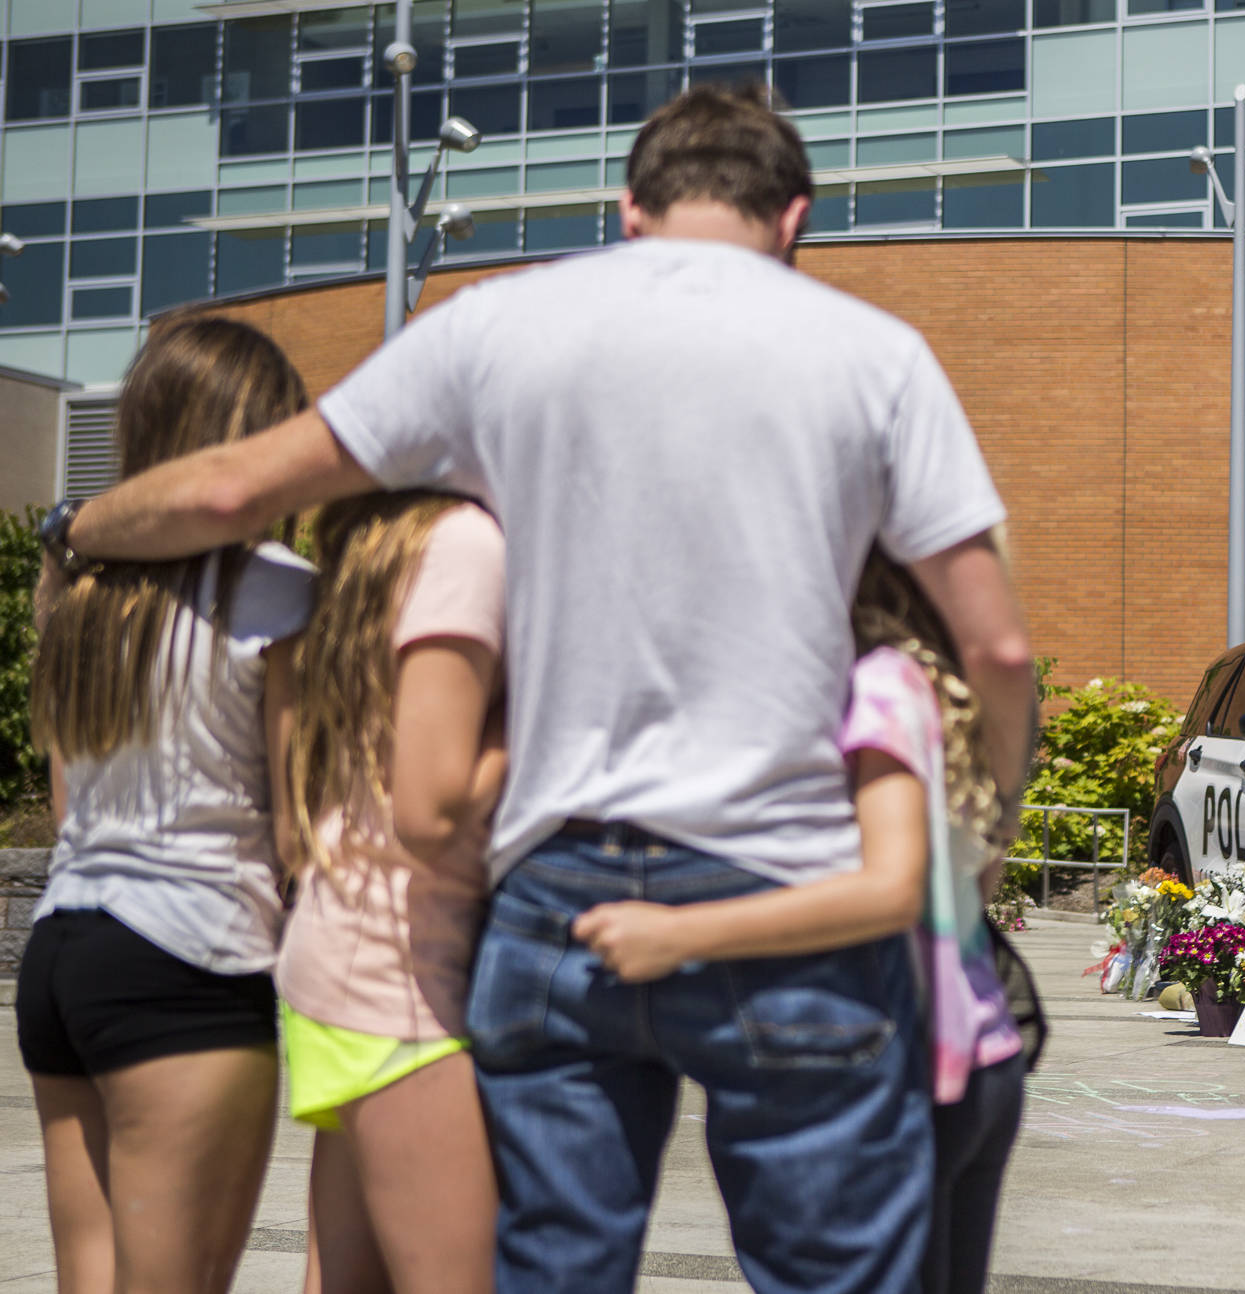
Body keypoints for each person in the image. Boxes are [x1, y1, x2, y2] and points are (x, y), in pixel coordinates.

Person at [44, 83, 1037, 1294]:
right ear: (794, 219)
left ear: (628, 209)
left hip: (555, 895)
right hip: (784, 881)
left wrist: (75, 525)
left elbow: (226, 496)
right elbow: (992, 649)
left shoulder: (494, 328)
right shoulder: (875, 355)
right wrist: (986, 829)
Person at [575, 547, 1028, 1293]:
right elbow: (975, 880)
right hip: (983, 1054)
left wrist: (676, 935)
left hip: (918, 1067)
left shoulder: (873, 689)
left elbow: (892, 891)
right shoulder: (934, 692)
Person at [17, 316, 314, 1294]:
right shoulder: (276, 593)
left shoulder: (81, 589)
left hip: (63, 949)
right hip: (187, 953)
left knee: (90, 1278)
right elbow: (294, 822)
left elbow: (65, 806)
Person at [273, 492, 506, 1294]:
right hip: (400, 982)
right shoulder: (466, 544)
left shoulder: (380, 543)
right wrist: (535, 734)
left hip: (344, 953)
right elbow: (431, 812)